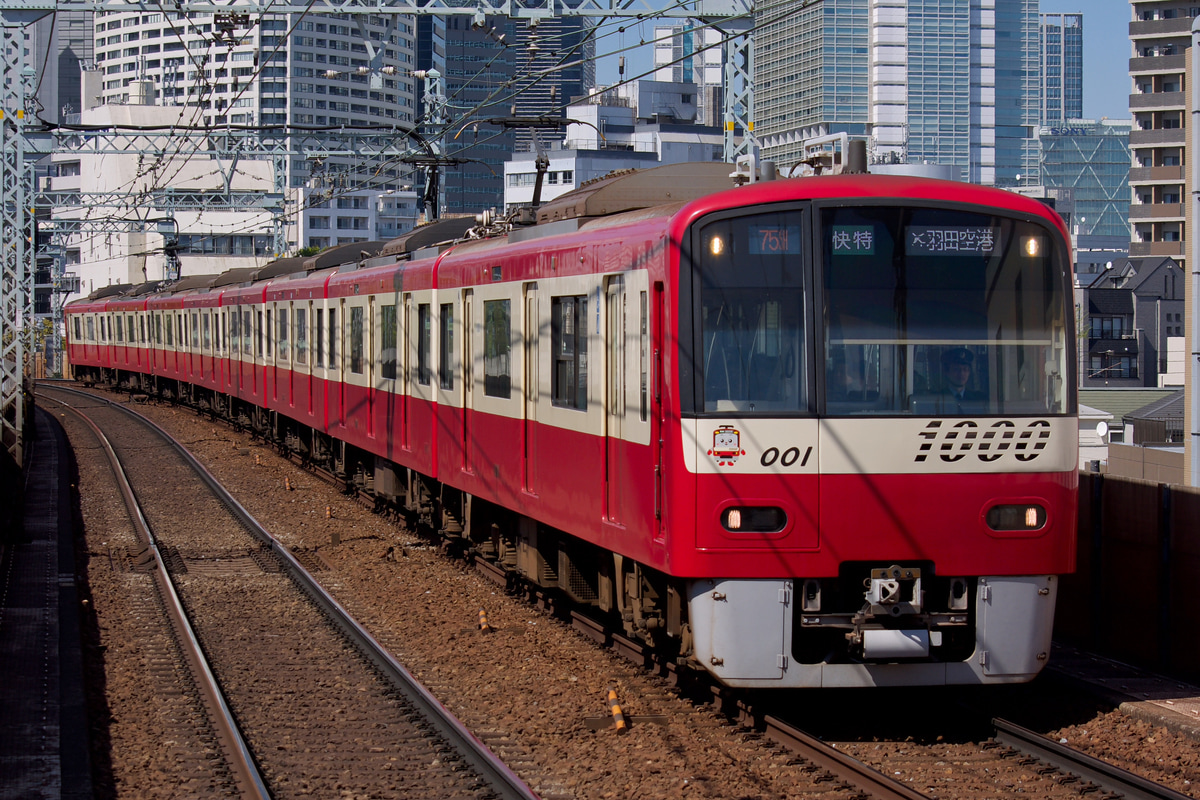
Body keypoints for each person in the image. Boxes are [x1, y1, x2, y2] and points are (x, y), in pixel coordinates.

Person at [940, 347, 983, 411]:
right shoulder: (939, 397)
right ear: (947, 372)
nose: (961, 373)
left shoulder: (977, 399)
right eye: (956, 369)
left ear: (969, 372)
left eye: (965, 369)